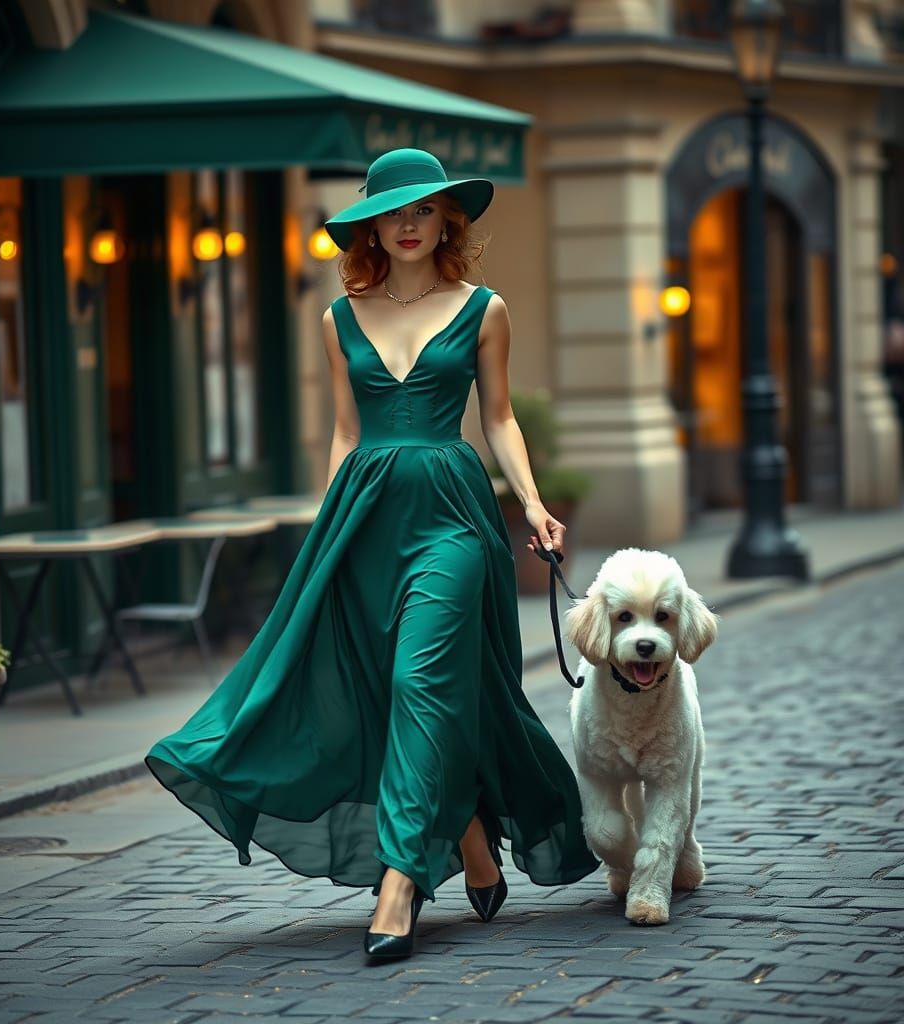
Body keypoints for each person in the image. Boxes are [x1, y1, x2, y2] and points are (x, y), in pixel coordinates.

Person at [145, 147, 598, 962]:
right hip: (365, 518)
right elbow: (347, 432)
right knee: (397, 691)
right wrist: (331, 526)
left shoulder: (484, 308)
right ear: (370, 228)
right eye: (394, 213)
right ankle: (465, 830)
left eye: (424, 210)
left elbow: (497, 420)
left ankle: (398, 883)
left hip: (453, 514)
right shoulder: (338, 318)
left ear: (446, 219)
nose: (410, 224)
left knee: (420, 675)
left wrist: (531, 505)